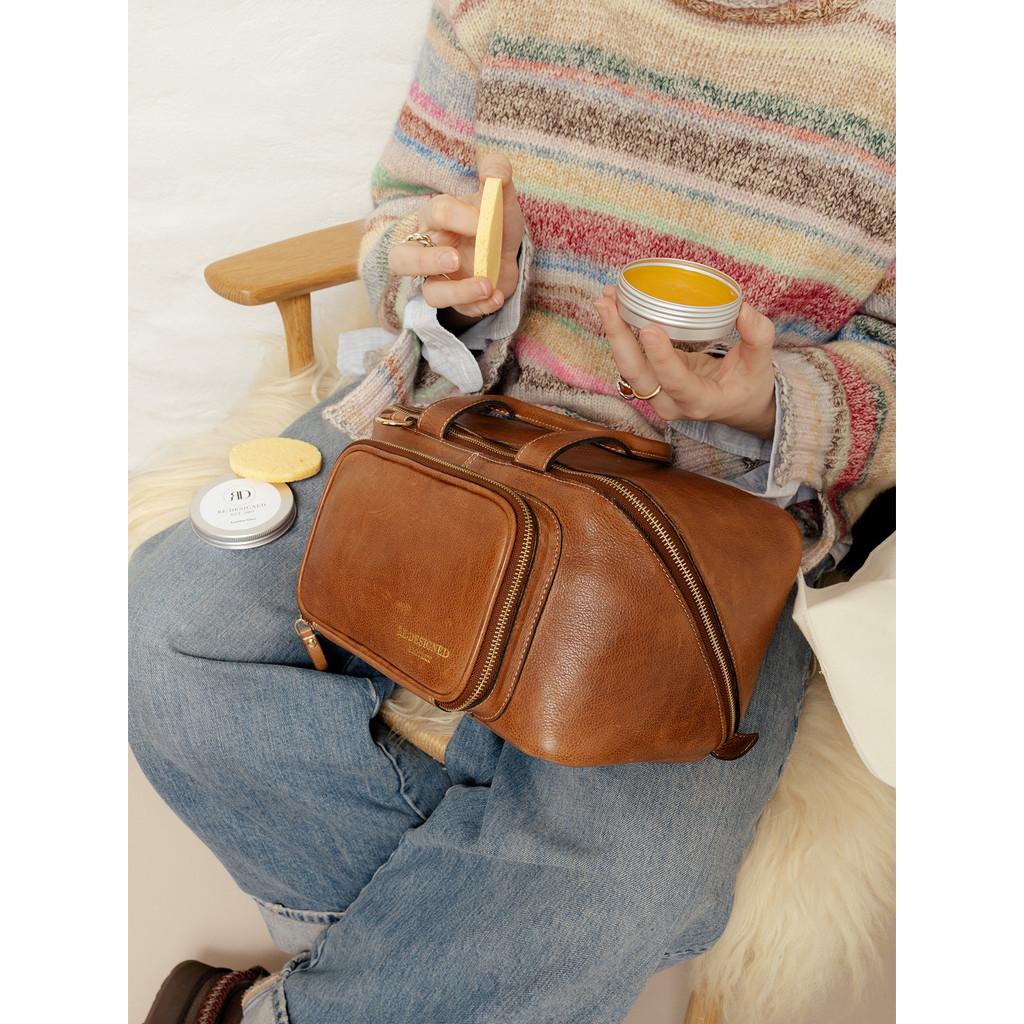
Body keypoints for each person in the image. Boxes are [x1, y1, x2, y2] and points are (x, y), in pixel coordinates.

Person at [129, 0, 895, 1021]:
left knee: (636, 872)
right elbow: (402, 214)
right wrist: (431, 265)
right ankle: (433, 977)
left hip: (702, 519)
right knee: (166, 635)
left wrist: (761, 399)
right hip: (448, 424)